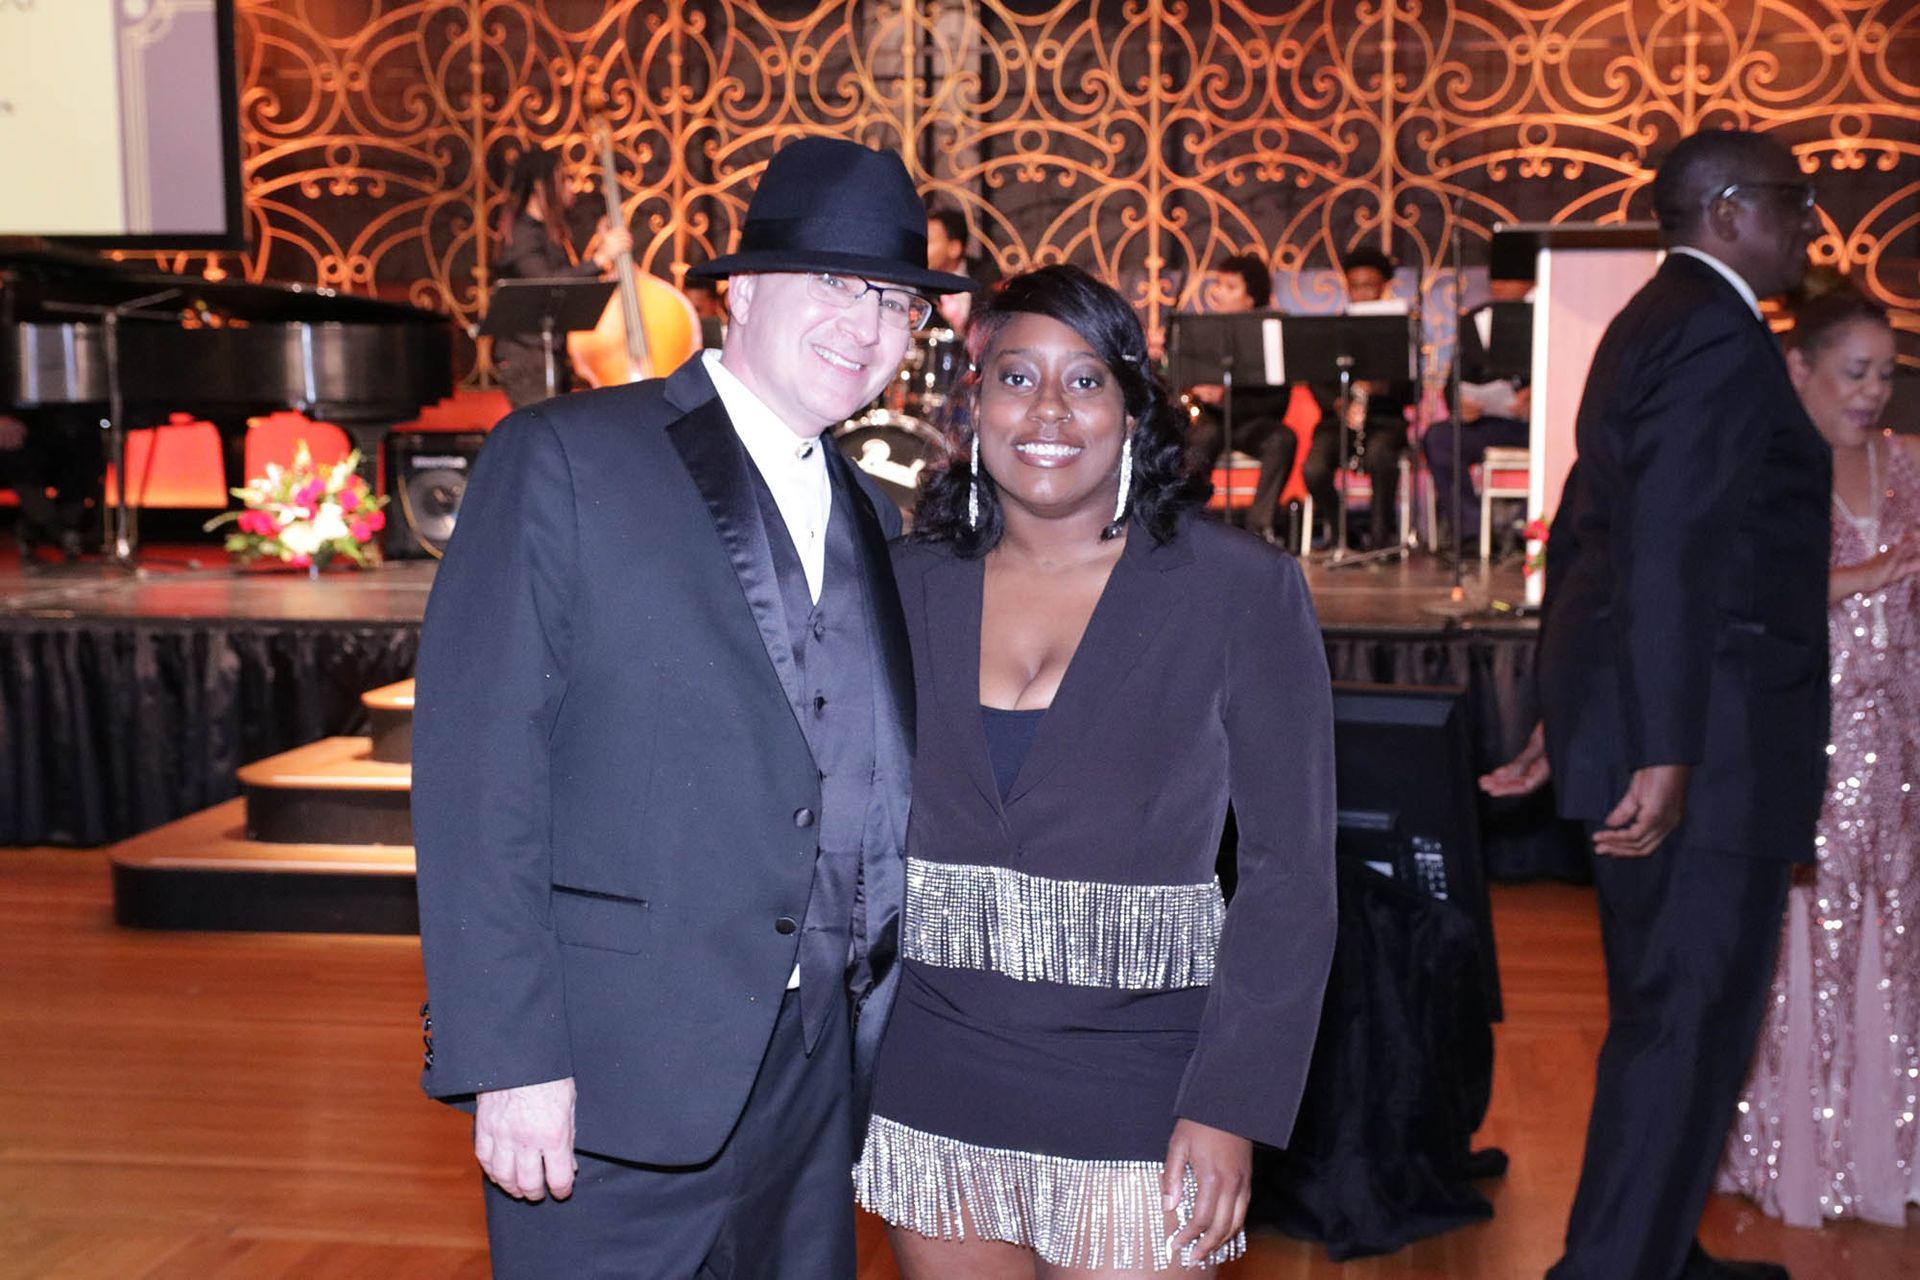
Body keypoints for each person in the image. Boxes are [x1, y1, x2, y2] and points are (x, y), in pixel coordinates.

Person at [412, 136, 975, 1278]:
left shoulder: (874, 513)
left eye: (896, 302)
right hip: (607, 1080)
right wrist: (508, 1056)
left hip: (813, 1087)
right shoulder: (566, 457)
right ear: (743, 290)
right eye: (835, 281)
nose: (866, 325)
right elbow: (478, 775)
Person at [853, 264, 1338, 1275]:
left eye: (1084, 381)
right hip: (933, 1070)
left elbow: (1291, 874)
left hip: (1146, 1081)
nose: (1048, 410)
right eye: (1016, 377)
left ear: (1131, 410)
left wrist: (1231, 1104)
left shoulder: (1238, 589)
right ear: (973, 402)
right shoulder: (899, 585)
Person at [1481, 128, 1825, 1280]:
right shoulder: (1717, 332)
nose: (1810, 220)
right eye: (1793, 198)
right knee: (1685, 1020)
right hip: (1710, 742)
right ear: (1727, 209)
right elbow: (1670, 549)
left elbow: (1596, 533)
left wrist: (1564, 708)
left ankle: (1659, 1249)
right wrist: (1664, 747)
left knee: (1676, 1013)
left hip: (1669, 721)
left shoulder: (1655, 317)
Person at [1718, 289, 1920, 1227]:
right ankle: (1796, 1151)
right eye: (1856, 372)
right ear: (1800, 367)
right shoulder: (1765, 464)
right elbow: (1734, 594)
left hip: (1902, 743)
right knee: (1809, 936)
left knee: (1897, 935)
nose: (1873, 392)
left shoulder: (1909, 464)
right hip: (1805, 739)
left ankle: (1891, 1150)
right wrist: (1863, 577)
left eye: (1886, 375)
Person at [489, 145, 634, 408]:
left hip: (549, 355)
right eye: (563, 178)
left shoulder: (547, 233)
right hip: (527, 358)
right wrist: (600, 257)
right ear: (540, 186)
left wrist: (603, 259)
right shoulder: (521, 234)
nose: (571, 186)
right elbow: (549, 282)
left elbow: (569, 284)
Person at [1179, 253, 1301, 541]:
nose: (1219, 293)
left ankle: (1259, 529)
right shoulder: (1199, 330)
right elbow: (1180, 384)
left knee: (1282, 439)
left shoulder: (1271, 333)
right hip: (1211, 421)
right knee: (1198, 441)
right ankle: (1186, 524)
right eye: (1218, 285)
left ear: (1251, 298)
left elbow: (1278, 403)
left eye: (1230, 287)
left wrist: (1226, 398)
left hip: (1251, 423)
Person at [1300, 246, 1414, 550]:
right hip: (1338, 422)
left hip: (1384, 421)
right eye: (1355, 286)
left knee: (1380, 453)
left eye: (1369, 286)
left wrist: (1382, 388)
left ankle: (1380, 537)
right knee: (1314, 468)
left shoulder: (1399, 331)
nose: (1361, 293)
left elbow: (1411, 391)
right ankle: (1343, 531)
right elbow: (1317, 379)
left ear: (1383, 287)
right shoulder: (1333, 329)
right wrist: (1338, 404)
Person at [1423, 276, 1534, 550]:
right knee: (1440, 438)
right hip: (1488, 418)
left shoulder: (1551, 316)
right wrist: (1460, 404)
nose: (1500, 285)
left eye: (1507, 278)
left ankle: (1525, 527)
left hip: (1536, 424)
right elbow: (1455, 379)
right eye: (1496, 279)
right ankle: (1471, 531)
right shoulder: (1476, 319)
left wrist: (1538, 394)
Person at [925, 206, 998, 334]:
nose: (922, 248)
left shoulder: (987, 277)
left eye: (929, 242)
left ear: (954, 248)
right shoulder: (919, 284)